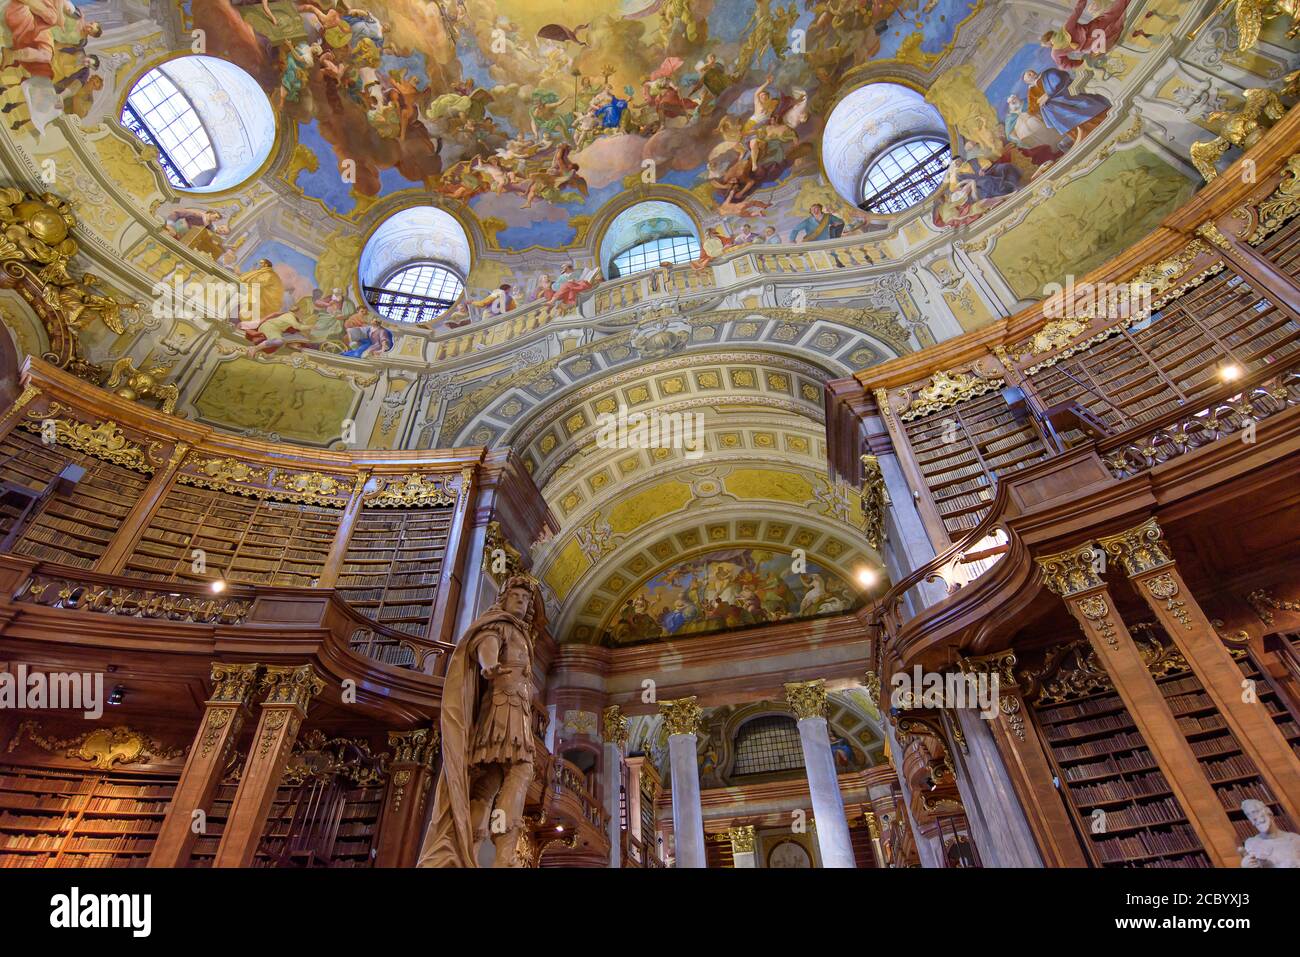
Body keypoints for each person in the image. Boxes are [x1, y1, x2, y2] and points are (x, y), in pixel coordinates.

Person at [418, 576, 547, 868]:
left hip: (514, 709)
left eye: (525, 599)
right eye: (515, 595)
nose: (521, 601)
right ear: (503, 598)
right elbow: (486, 644)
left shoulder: (520, 632)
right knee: (521, 770)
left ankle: (469, 851)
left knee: (487, 785)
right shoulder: (498, 624)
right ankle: (503, 858)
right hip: (505, 708)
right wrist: (489, 664)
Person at [1023, 68, 1111, 144]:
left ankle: (1094, 123)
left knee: (1055, 106)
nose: (1032, 73)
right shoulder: (1031, 91)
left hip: (1063, 95)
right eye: (1029, 75)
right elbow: (1033, 105)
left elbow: (1060, 79)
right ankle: (1080, 132)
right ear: (1027, 81)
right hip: (1053, 107)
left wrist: (1048, 94)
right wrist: (1038, 103)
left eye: (1031, 72)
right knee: (1050, 108)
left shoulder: (1047, 74)